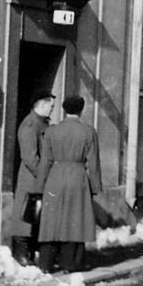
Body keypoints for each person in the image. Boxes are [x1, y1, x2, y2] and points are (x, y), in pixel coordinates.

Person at [35, 95, 102, 274]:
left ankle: (46, 263)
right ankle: (70, 263)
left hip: (55, 177)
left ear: (64, 110)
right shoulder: (88, 132)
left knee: (51, 220)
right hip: (77, 178)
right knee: (75, 220)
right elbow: (94, 163)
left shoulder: (51, 131)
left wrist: (39, 187)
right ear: (81, 109)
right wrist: (95, 187)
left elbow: (45, 161)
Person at [10, 90, 55, 265]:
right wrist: (44, 176)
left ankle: (30, 252)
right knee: (25, 216)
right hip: (31, 178)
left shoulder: (42, 123)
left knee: (36, 216)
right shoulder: (30, 125)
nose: (52, 109)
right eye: (50, 106)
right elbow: (29, 157)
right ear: (41, 104)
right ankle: (20, 253)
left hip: (40, 178)